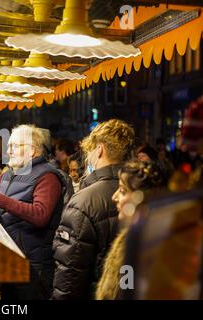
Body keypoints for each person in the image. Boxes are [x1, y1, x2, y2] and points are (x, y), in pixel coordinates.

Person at [0, 125, 65, 300]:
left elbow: (40, 215)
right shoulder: (11, 173)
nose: (8, 150)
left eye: (14, 146)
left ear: (31, 150)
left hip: (34, 268)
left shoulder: (48, 177)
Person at [52, 119, 135, 300]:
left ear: (99, 150)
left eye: (89, 150)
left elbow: (70, 271)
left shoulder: (83, 201)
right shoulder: (141, 192)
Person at [95, 160, 165, 299]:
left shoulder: (140, 247)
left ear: (141, 198)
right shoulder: (133, 238)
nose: (114, 197)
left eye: (122, 191)